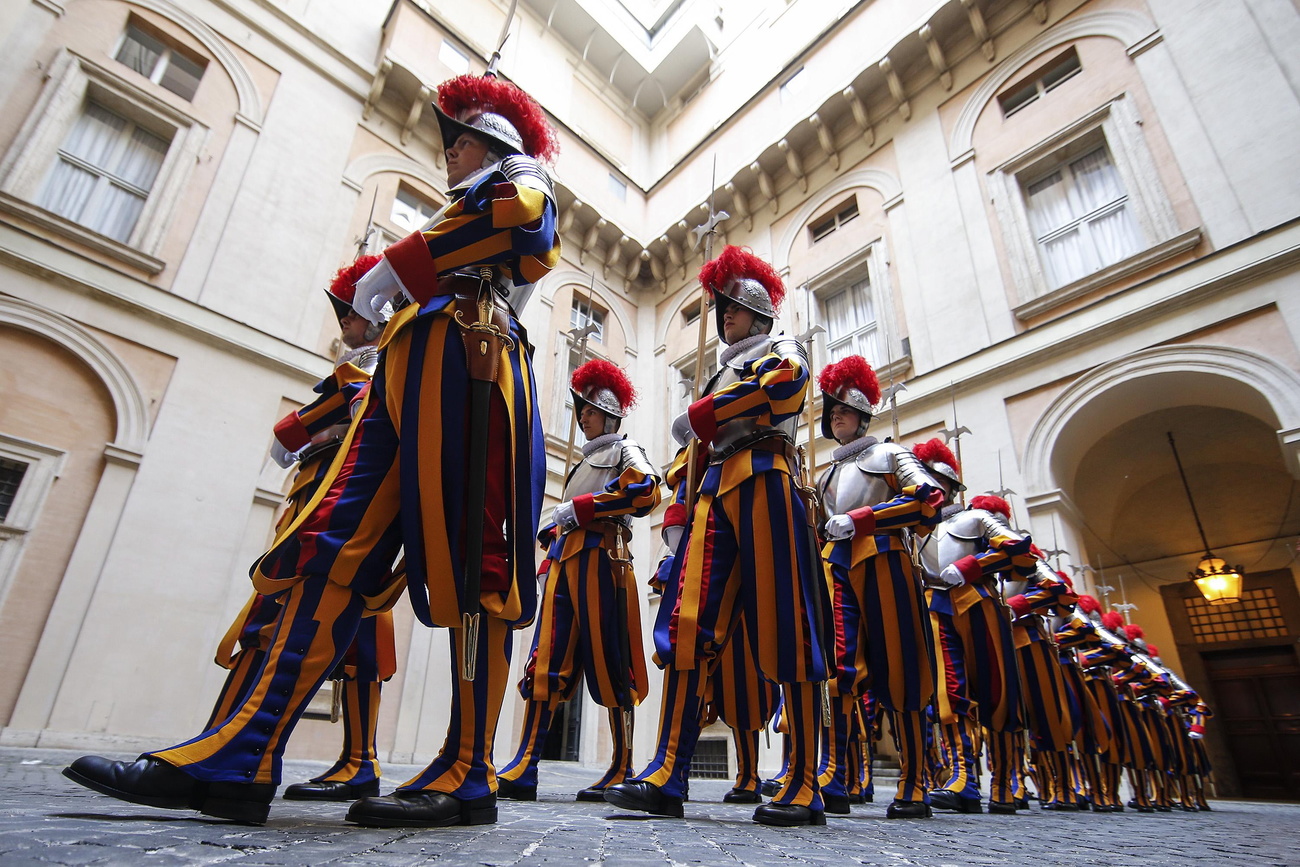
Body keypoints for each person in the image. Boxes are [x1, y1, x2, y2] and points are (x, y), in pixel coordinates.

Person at [64, 72, 560, 828]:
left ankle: (469, 767)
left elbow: (528, 222)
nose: (448, 153)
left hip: (475, 359)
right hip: (406, 366)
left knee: (475, 566)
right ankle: (243, 753)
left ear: (488, 143)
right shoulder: (459, 203)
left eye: (457, 141)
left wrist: (400, 263)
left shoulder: (519, 175)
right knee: (327, 547)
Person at [604, 246, 830, 827]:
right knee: (686, 625)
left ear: (757, 312)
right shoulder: (720, 368)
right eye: (721, 305)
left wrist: (707, 410)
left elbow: (785, 388)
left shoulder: (780, 347)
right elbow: (695, 446)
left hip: (765, 475)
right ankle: (668, 769)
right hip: (713, 487)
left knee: (787, 623)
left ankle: (805, 777)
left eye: (733, 306)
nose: (724, 314)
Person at [496, 359, 660, 801]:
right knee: (545, 659)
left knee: (612, 658)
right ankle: (527, 760)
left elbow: (646, 491)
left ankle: (623, 763)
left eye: (588, 409)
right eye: (580, 410)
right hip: (565, 560)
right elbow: (568, 515)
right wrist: (552, 531)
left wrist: (584, 508)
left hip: (603, 558)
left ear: (607, 412)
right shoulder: (583, 461)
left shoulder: (626, 450)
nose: (581, 417)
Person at [813, 356, 948, 819]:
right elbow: (818, 529)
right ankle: (835, 769)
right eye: (831, 410)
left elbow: (929, 499)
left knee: (900, 665)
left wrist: (862, 518)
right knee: (840, 667)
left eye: (844, 409)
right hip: (838, 570)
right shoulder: (825, 474)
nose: (835, 415)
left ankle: (914, 779)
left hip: (886, 560)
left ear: (864, 412)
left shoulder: (890, 454)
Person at [916, 485, 1035, 815]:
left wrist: (972, 566)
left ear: (951, 486)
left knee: (996, 691)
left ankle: (1004, 781)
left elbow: (1021, 553)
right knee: (950, 694)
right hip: (936, 606)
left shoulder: (978, 518)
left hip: (978, 600)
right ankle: (962, 777)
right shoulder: (920, 528)